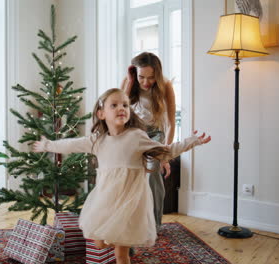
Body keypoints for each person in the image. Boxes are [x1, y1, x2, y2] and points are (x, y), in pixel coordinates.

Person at [33, 88, 210, 264]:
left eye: (125, 105)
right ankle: (111, 238)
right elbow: (71, 144)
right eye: (115, 105)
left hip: (130, 202)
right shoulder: (97, 140)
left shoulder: (136, 136)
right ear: (101, 114)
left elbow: (165, 152)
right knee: (100, 243)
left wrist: (191, 141)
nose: (122, 108)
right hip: (106, 200)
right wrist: (47, 145)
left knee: (121, 254)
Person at [120, 52, 176, 232]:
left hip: (155, 135)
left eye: (151, 78)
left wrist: (165, 156)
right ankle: (130, 222)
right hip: (133, 134)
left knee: (153, 173)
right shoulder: (129, 82)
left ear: (157, 75)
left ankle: (154, 225)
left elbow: (171, 123)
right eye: (141, 77)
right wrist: (129, 82)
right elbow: (119, 109)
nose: (145, 82)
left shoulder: (165, 86)